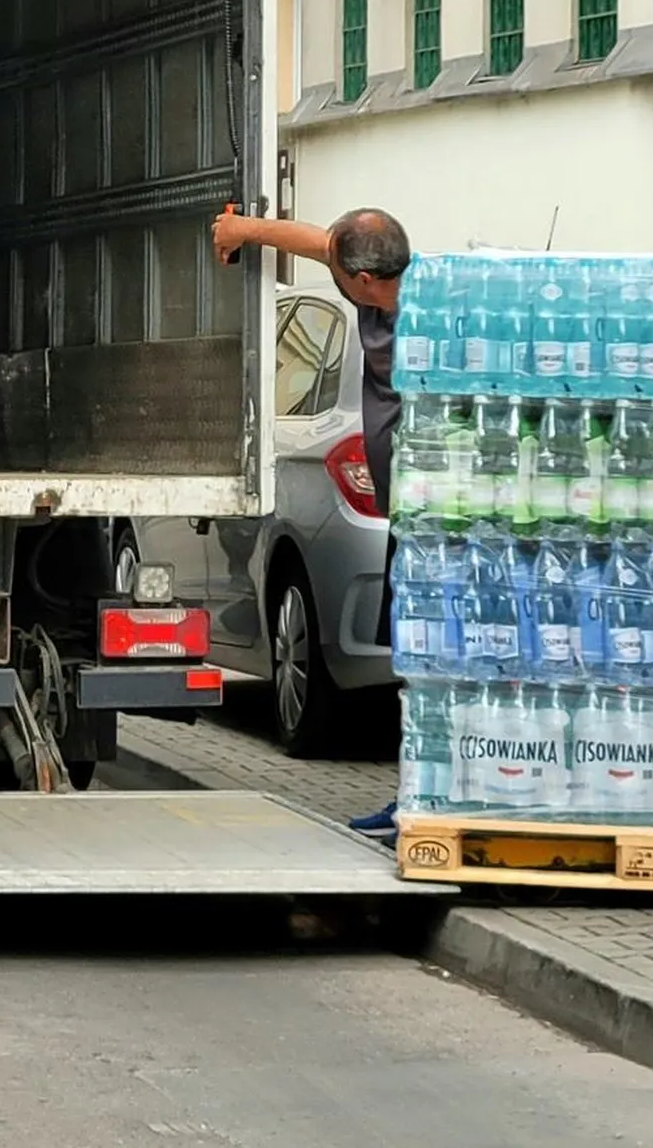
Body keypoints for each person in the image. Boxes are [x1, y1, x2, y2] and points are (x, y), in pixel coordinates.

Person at [211, 206, 409, 838]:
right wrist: (246, 232)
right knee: (408, 668)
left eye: (340, 271)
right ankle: (411, 799)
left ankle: (423, 801)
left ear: (363, 280)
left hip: (438, 524)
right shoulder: (373, 279)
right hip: (402, 515)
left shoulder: (434, 315)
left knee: (425, 672)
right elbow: (324, 244)